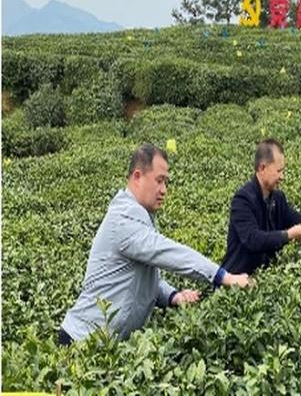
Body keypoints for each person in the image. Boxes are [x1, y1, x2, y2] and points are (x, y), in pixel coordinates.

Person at [59, 143, 250, 345]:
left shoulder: (140, 218)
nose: (164, 190)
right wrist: (224, 277)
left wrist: (173, 297)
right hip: (80, 342)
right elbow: (170, 254)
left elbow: (146, 279)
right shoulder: (123, 221)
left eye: (166, 182)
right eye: (159, 181)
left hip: (103, 345)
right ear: (137, 177)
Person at [221, 138, 301, 275]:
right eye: (278, 171)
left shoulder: (278, 198)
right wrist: (288, 235)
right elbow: (253, 239)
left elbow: (296, 218)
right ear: (262, 168)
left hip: (263, 277)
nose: (282, 176)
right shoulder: (242, 200)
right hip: (236, 281)